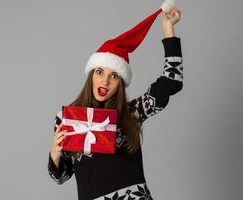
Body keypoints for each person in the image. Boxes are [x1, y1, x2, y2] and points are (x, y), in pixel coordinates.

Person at [48, 2, 183, 200]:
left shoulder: (132, 113)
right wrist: (55, 153)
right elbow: (62, 177)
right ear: (91, 75)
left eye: (114, 76)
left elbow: (172, 82)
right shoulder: (69, 119)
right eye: (100, 72)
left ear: (120, 82)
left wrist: (168, 29)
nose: (105, 81)